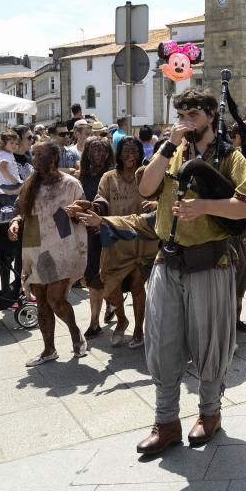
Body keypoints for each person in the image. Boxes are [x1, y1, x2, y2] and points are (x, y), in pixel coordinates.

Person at [132, 89, 246, 455]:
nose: (185, 118)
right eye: (181, 112)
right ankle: (166, 421)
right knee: (162, 341)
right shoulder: (170, 152)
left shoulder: (229, 156)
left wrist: (204, 206)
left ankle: (209, 413)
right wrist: (166, 147)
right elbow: (145, 187)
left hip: (209, 261)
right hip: (167, 259)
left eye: (193, 112)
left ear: (209, 115)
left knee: (209, 343)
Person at [7, 141, 89, 367]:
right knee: (41, 299)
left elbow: (84, 212)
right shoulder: (30, 183)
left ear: (53, 157)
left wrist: (78, 212)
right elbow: (19, 208)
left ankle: (75, 333)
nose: (34, 158)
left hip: (62, 246)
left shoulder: (71, 184)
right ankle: (49, 349)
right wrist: (15, 222)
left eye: (39, 154)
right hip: (35, 246)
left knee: (56, 299)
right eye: (33, 154)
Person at [91, 137, 157, 348]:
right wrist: (95, 207)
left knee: (138, 285)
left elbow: (164, 196)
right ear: (118, 154)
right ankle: (121, 319)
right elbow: (100, 198)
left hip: (142, 239)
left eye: (135, 151)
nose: (131, 155)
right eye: (126, 151)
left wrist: (156, 202)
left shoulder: (148, 174)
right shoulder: (109, 177)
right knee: (111, 287)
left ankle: (139, 329)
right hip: (116, 240)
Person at [74, 137, 114, 340]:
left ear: (108, 154)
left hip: (107, 233)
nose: (98, 155)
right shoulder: (79, 177)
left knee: (103, 277)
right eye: (94, 151)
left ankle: (104, 312)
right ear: (87, 153)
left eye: (102, 151)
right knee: (92, 280)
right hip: (86, 235)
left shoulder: (111, 177)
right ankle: (96, 320)